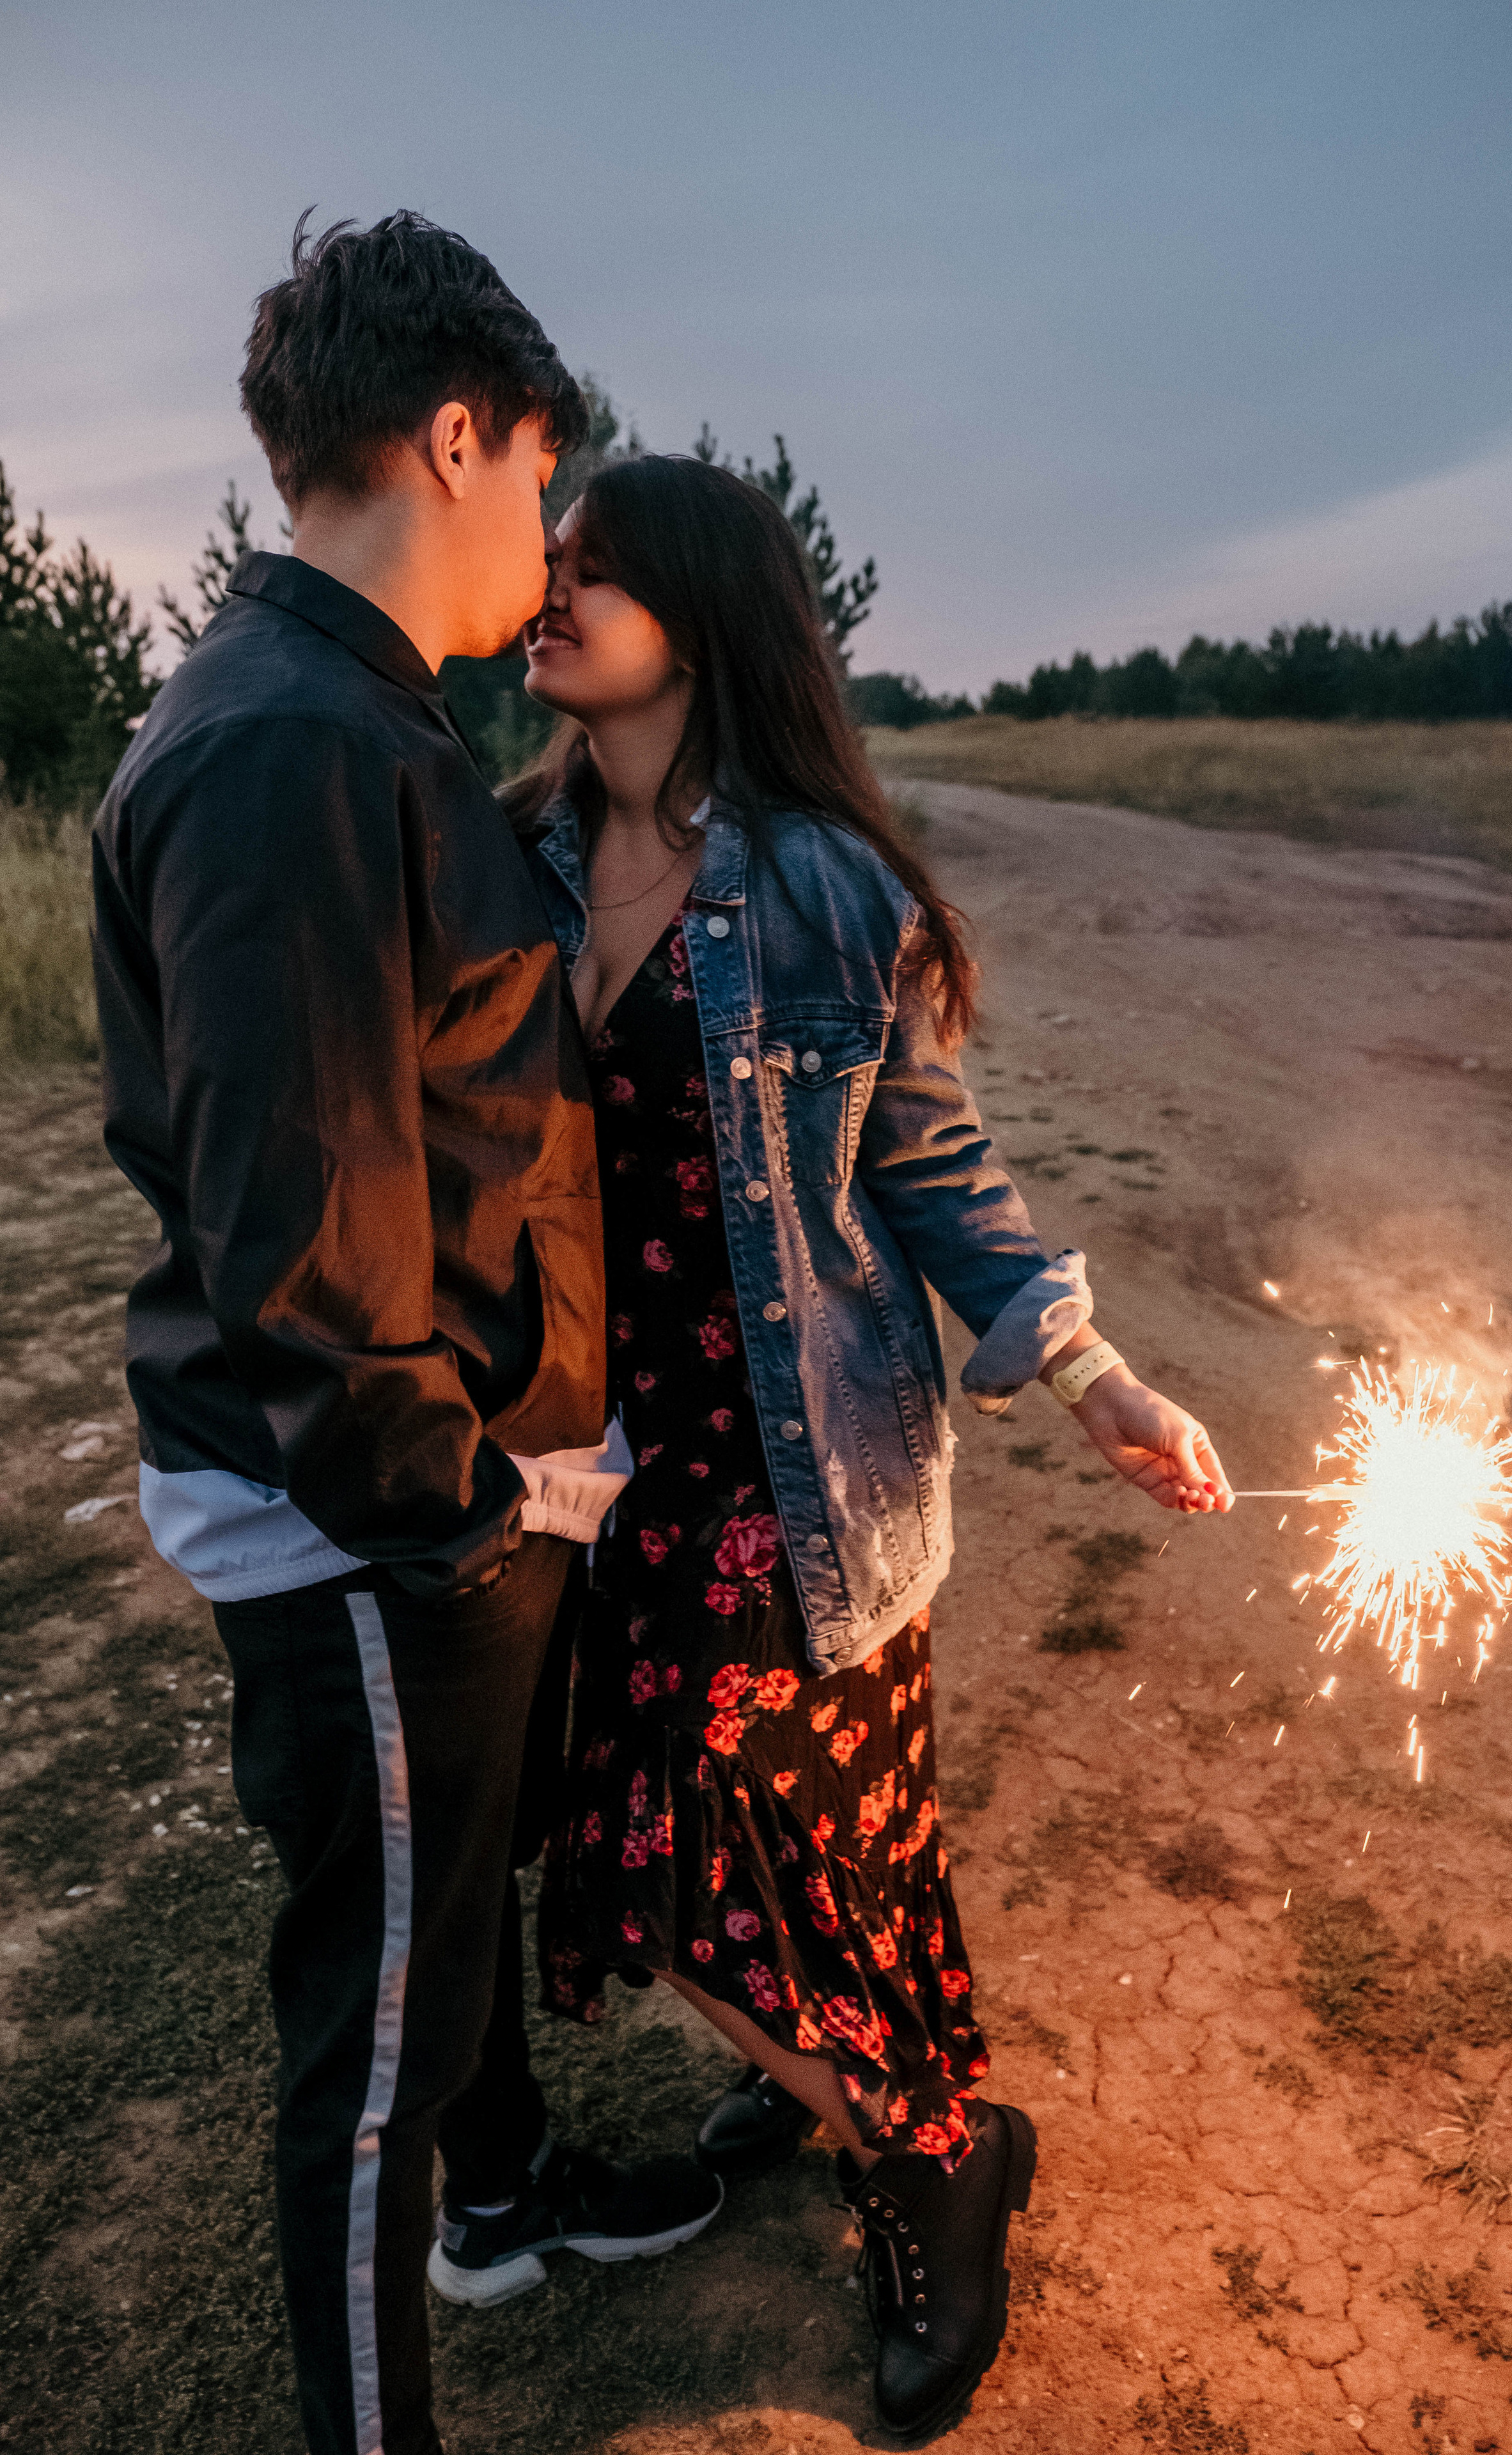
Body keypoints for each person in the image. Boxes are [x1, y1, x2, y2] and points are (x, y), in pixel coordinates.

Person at [500, 453, 1234, 2440]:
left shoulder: (831, 888)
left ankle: (929, 2151)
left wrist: (1097, 1378)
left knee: (728, 1852)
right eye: (549, 565)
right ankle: (875, 2087)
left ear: (703, 614)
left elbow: (935, 1177)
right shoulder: (516, 856)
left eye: (592, 573)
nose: (546, 594)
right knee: (718, 1858)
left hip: (803, 1469)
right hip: (614, 1465)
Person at [91, 216, 719, 2455]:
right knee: (375, 2035)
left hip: (444, 1494)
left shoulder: (356, 713)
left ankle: (516, 2197)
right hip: (372, 1524)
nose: (549, 539)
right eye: (545, 480)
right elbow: (306, 1243)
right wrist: (455, 1514)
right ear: (458, 436)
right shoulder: (280, 753)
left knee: (450, 1923)